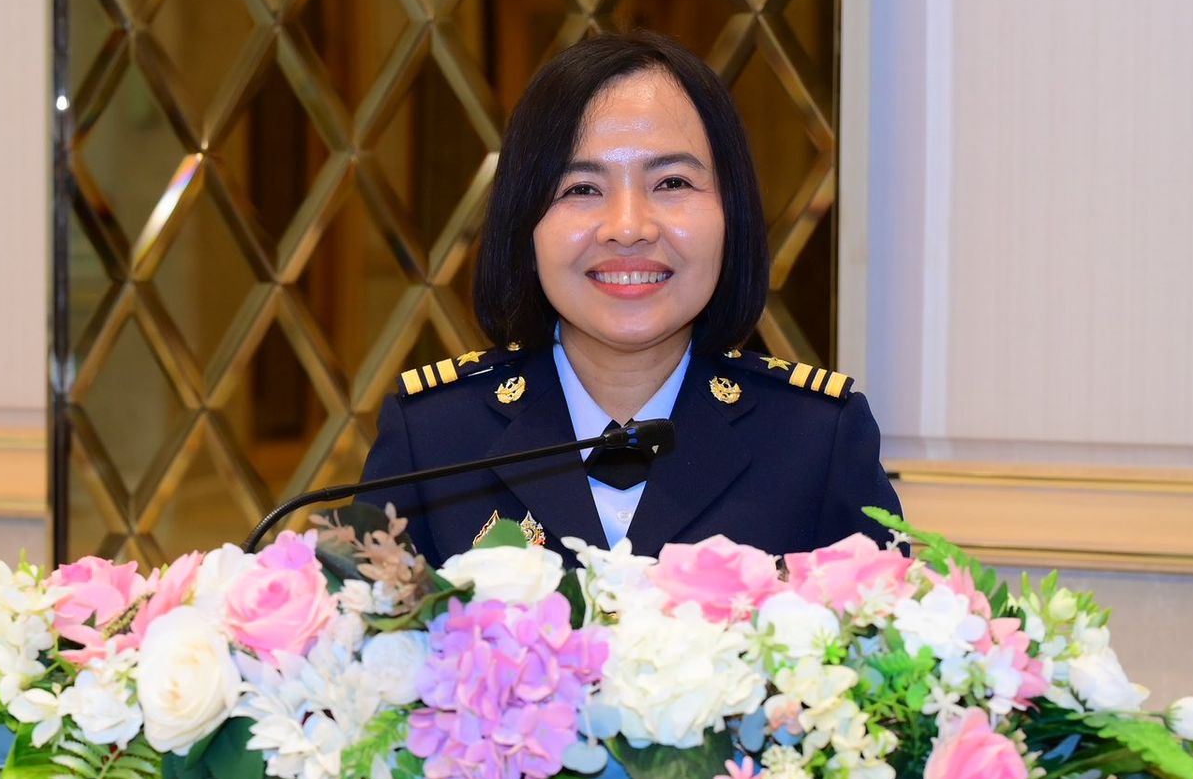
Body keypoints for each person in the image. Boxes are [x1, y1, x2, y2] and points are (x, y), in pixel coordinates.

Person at [358, 31, 902, 563]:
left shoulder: (817, 438)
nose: (628, 228)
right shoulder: (432, 438)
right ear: (523, 224)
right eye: (581, 189)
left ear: (730, 212)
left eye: (672, 183)